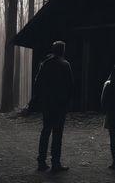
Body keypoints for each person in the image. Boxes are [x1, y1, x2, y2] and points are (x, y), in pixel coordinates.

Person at [36, 41, 74, 173]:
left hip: (47, 103)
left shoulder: (46, 63)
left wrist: (42, 97)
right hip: (60, 104)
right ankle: (55, 162)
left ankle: (41, 161)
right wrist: (68, 101)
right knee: (57, 133)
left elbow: (38, 82)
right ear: (62, 50)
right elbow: (70, 85)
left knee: (46, 131)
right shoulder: (65, 64)